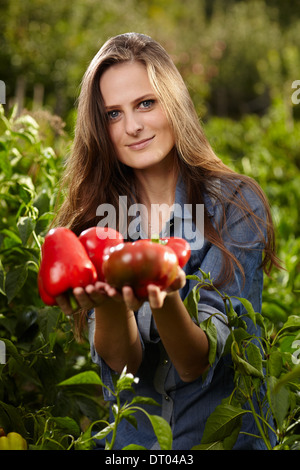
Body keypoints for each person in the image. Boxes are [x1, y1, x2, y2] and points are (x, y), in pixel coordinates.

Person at [54, 32, 280, 450]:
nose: (133, 126)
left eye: (145, 103)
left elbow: (195, 362)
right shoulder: (96, 222)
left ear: (172, 102)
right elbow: (125, 364)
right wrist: (108, 301)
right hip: (135, 448)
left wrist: (164, 292)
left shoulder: (235, 205)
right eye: (113, 114)